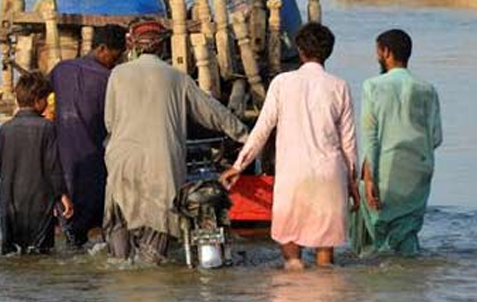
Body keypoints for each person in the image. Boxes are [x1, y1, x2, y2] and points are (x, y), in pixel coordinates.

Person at [103, 21, 249, 263]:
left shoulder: (117, 75)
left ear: (134, 47)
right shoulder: (177, 77)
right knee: (158, 231)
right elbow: (213, 112)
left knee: (120, 222)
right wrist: (245, 135)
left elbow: (110, 122)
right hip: (162, 163)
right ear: (162, 48)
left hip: (122, 160)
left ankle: (120, 267)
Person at [221, 23, 358, 269]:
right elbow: (348, 144)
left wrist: (239, 166)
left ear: (300, 50)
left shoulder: (283, 83)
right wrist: (352, 184)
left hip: (293, 176)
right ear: (328, 52)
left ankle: (293, 292)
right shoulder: (340, 86)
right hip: (329, 175)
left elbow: (262, 129)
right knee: (325, 257)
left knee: (291, 254)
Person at [350, 29, 443, 256]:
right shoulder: (428, 89)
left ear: (386, 52)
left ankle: (381, 285)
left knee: (375, 235)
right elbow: (437, 138)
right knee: (407, 234)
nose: (377, 57)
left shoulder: (372, 86)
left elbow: (371, 137)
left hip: (385, 169)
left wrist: (369, 177)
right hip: (419, 171)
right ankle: (412, 287)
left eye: (378, 52)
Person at [50, 26, 127, 247]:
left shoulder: (61, 70)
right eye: (116, 54)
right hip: (95, 162)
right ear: (102, 49)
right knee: (99, 223)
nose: (117, 60)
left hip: (63, 162)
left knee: (71, 226)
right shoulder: (110, 80)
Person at [0, 72, 74, 255]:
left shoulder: (5, 129)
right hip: (39, 201)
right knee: (41, 252)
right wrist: (62, 195)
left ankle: (14, 284)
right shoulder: (47, 128)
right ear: (38, 100)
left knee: (11, 253)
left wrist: (13, 179)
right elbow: (53, 167)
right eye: (46, 99)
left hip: (9, 201)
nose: (46, 104)